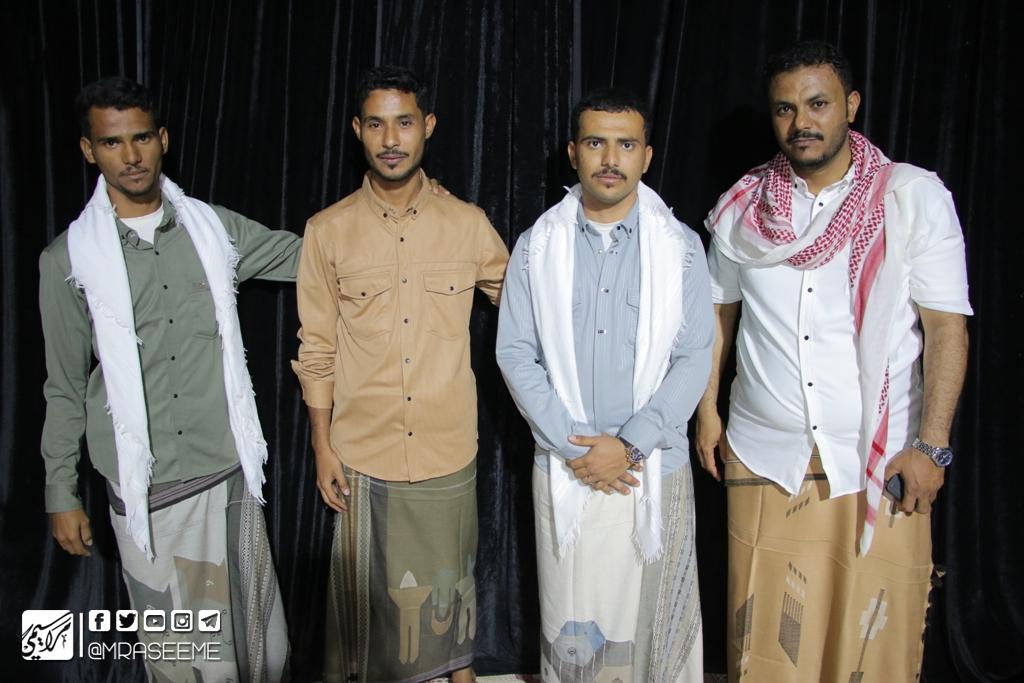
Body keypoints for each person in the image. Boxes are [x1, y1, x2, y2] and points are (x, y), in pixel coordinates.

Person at [698, 40, 972, 682]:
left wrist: (932, 447)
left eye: (817, 104)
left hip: (881, 456)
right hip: (766, 452)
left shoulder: (910, 196)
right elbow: (717, 313)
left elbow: (946, 329)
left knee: (872, 641)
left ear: (850, 105)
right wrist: (707, 411)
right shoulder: (743, 206)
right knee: (766, 645)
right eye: (785, 109)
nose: (802, 122)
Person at [39, 77, 295, 681]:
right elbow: (64, 386)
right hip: (146, 491)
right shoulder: (67, 259)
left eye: (142, 138)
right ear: (88, 150)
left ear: (163, 140)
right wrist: (60, 492)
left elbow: (312, 257)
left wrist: (385, 217)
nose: (130, 156)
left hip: (225, 470)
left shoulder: (212, 229)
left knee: (261, 647)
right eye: (112, 142)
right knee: (183, 658)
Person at [292, 66, 508, 683]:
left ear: (427, 126)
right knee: (368, 625)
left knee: (449, 595)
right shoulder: (327, 231)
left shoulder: (466, 223)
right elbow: (316, 347)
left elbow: (526, 305)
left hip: (446, 445)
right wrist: (322, 446)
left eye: (404, 122)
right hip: (363, 452)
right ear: (358, 131)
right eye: (377, 124)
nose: (391, 139)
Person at [496, 87, 712, 681]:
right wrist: (576, 448)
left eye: (626, 144)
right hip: (568, 468)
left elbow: (694, 356)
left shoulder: (681, 249)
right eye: (595, 143)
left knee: (656, 631)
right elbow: (514, 353)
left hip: (653, 466)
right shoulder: (537, 247)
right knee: (575, 626)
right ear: (573, 153)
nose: (611, 159)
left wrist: (631, 445)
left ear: (647, 155)